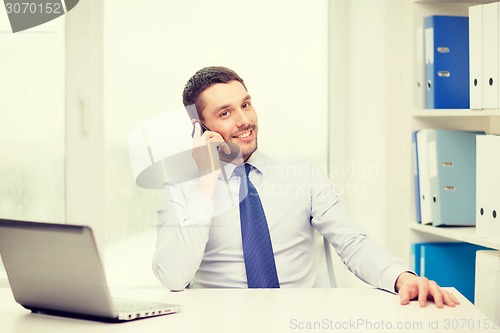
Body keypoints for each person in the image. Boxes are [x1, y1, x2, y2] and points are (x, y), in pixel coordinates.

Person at [153, 66, 459, 308]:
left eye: (246, 104)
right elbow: (173, 276)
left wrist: (402, 278)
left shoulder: (303, 175)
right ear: (200, 128)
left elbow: (354, 243)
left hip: (300, 321)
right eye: (225, 113)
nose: (244, 120)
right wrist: (206, 181)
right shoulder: (181, 189)